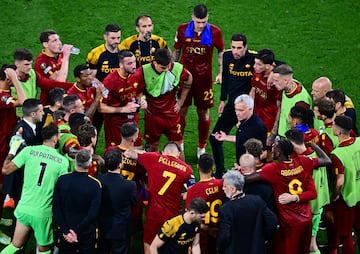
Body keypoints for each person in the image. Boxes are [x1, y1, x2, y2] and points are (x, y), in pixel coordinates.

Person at [245, 140, 331, 254]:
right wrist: (313, 145)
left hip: (289, 223)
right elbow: (327, 160)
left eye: (274, 148)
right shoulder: (303, 161)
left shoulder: (273, 169)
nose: (272, 150)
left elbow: (246, 179)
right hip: (306, 219)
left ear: (279, 153)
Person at [1, 124, 69, 254]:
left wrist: (12, 150)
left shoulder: (28, 151)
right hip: (43, 213)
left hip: (24, 209)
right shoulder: (62, 162)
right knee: (44, 249)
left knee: (15, 245)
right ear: (55, 138)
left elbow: (5, 169)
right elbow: (63, 190)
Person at [173, 4, 225, 157]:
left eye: (204, 22)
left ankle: (201, 147)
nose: (201, 25)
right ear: (192, 18)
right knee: (181, 110)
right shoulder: (182, 29)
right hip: (184, 78)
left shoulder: (215, 31)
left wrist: (221, 72)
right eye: (198, 22)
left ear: (207, 18)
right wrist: (171, 72)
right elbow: (176, 51)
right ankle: (179, 142)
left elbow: (221, 51)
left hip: (204, 80)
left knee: (203, 113)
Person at [124, 142, 193, 254]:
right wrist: (183, 195)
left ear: (163, 152)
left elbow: (130, 154)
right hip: (173, 214)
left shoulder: (154, 158)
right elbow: (193, 189)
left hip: (154, 211)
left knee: (149, 242)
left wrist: (143, 152)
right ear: (179, 154)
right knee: (170, 245)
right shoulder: (186, 169)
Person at [209, 33, 256, 174]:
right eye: (233, 47)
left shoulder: (254, 58)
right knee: (215, 138)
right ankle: (220, 171)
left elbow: (274, 62)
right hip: (232, 106)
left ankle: (245, 172)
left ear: (246, 47)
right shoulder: (227, 56)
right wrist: (223, 100)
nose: (236, 51)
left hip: (248, 109)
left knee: (246, 142)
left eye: (239, 48)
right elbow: (225, 79)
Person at [130, 48, 192, 154]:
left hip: (172, 115)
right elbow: (136, 89)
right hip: (153, 116)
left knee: (177, 146)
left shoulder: (176, 68)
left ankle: (184, 170)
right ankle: (151, 170)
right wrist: (142, 100)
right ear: (154, 63)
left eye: (168, 66)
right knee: (153, 145)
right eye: (163, 67)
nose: (167, 70)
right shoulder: (143, 71)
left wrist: (181, 101)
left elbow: (189, 78)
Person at [285, 128, 330, 254]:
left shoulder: (303, 162)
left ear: (292, 144)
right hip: (318, 203)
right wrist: (313, 145)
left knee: (310, 246)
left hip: (310, 208)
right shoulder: (315, 154)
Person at [52, 149, 102, 254]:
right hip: (85, 232)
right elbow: (93, 213)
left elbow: (56, 207)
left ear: (75, 161)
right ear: (89, 164)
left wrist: (66, 231)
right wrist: (76, 231)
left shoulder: (62, 180)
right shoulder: (95, 185)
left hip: (65, 230)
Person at [217, 170, 278, 254]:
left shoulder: (226, 209)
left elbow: (225, 236)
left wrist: (219, 249)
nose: (223, 189)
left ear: (233, 189)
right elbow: (272, 221)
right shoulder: (257, 200)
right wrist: (264, 237)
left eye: (225, 186)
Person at [0, 65, 26, 245]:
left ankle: (1, 218)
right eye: (14, 76)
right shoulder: (2, 95)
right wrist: (15, 80)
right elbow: (24, 102)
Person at [105, 122, 146, 233]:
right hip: (132, 198)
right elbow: (144, 183)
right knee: (131, 229)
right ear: (133, 139)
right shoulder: (141, 159)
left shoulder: (110, 151)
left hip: (112, 194)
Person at [212, 94, 267, 178]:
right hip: (242, 168)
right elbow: (243, 138)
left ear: (250, 109)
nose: (237, 113)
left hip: (251, 172)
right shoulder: (244, 120)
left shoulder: (257, 127)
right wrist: (225, 137)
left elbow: (264, 153)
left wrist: (245, 166)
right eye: (236, 109)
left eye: (241, 110)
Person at [99, 50, 146, 148]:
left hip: (133, 121)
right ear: (120, 64)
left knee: (138, 149)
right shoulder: (110, 81)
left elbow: (139, 92)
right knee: (117, 153)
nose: (134, 66)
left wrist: (142, 100)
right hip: (115, 125)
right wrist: (123, 109)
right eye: (129, 63)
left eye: (134, 62)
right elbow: (101, 107)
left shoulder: (137, 75)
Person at [3, 98, 44, 207]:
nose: (43, 113)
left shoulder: (35, 126)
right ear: (33, 114)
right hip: (19, 177)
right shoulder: (20, 131)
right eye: (41, 111)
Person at [329, 115, 360, 254]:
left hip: (347, 199)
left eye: (334, 125)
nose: (332, 126)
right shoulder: (359, 141)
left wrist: (334, 196)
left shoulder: (337, 154)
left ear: (339, 132)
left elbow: (340, 181)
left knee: (346, 234)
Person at [98, 149, 137, 254]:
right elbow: (134, 201)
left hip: (102, 227)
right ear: (120, 165)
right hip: (121, 229)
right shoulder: (130, 185)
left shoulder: (98, 180)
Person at [185, 153, 225, 254]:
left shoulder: (193, 191)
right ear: (213, 167)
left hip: (202, 236)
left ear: (198, 166)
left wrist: (207, 228)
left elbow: (190, 217)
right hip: (220, 232)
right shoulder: (222, 185)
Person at [86, 23, 122, 134]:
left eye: (118, 38)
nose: (116, 41)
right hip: (102, 95)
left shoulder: (123, 52)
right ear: (105, 37)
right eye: (113, 38)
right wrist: (104, 89)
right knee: (95, 127)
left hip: (119, 96)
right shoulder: (95, 54)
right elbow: (91, 77)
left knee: (119, 128)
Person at [270, 64, 312, 138]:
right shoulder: (285, 87)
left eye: (276, 81)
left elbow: (301, 128)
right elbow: (280, 108)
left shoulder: (301, 101)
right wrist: (274, 132)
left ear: (286, 81)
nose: (274, 83)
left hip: (291, 139)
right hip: (282, 135)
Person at [34, 30, 74, 105]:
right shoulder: (42, 63)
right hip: (50, 103)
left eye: (59, 39)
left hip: (63, 98)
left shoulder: (59, 55)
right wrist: (66, 57)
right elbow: (60, 82)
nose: (59, 43)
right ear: (45, 44)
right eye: (54, 41)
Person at [250, 48, 281, 136]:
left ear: (267, 66)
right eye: (255, 63)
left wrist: (274, 130)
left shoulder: (276, 82)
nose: (254, 66)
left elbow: (280, 107)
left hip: (268, 123)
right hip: (255, 118)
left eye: (258, 64)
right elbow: (253, 89)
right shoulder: (257, 72)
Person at [12, 48, 40, 117]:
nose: (30, 67)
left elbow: (47, 83)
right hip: (18, 116)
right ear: (17, 64)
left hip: (32, 113)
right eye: (26, 64)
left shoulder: (32, 73)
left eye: (31, 64)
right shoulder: (9, 80)